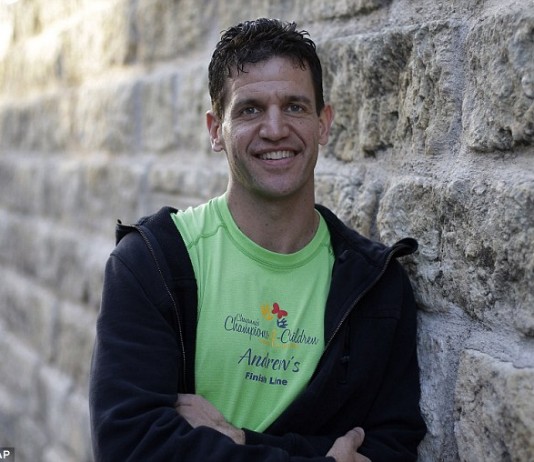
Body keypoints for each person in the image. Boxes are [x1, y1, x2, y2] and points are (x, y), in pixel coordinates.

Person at [89, 18, 426, 462]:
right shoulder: (153, 262)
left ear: (323, 124)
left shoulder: (375, 287)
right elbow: (129, 445)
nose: (275, 129)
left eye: (294, 107)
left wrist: (242, 441)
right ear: (215, 130)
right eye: (250, 110)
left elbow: (391, 448)